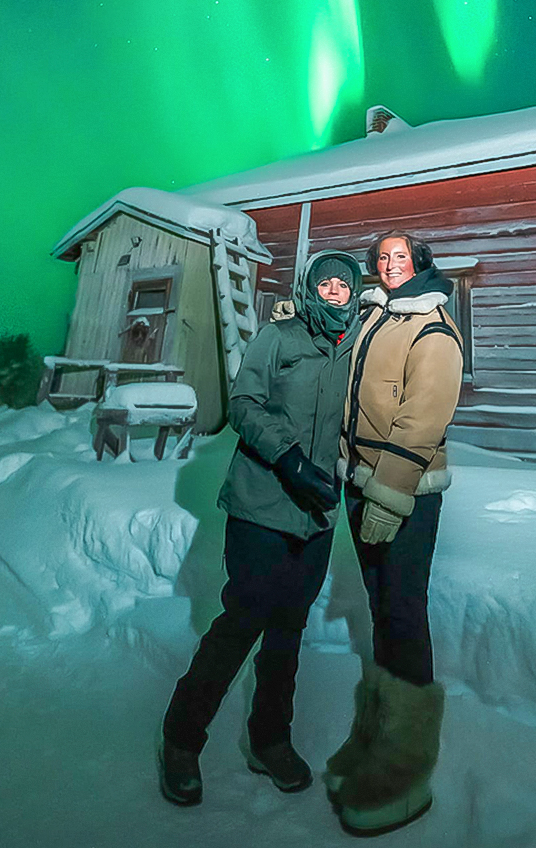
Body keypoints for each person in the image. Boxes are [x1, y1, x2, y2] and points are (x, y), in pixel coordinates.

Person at [157, 249, 363, 807]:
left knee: (289, 629)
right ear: (310, 288)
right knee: (243, 619)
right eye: (327, 283)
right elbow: (244, 403)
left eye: (346, 284)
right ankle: (181, 738)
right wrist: (289, 457)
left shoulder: (355, 345)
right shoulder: (279, 337)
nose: (337, 290)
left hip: (317, 515)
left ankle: (269, 739)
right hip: (261, 504)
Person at [325, 231, 463, 837]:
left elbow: (422, 420)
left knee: (403, 611)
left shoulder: (433, 330)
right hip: (360, 482)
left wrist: (391, 492)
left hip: (403, 491)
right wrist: (294, 315)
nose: (388, 265)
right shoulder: (373, 317)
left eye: (400, 257)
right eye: (381, 258)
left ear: (420, 264)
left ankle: (406, 769)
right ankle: (376, 737)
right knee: (382, 609)